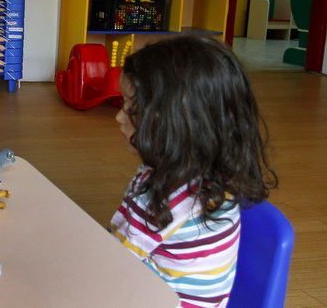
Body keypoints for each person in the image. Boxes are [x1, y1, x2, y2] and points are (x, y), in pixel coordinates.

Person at [109, 36, 278, 307]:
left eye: (133, 108)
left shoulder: (164, 195)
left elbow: (108, 266)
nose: (119, 116)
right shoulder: (209, 171)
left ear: (176, 122)